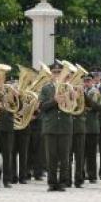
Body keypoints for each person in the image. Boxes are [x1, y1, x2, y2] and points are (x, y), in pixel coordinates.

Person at [38, 61, 73, 192]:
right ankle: (52, 183)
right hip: (50, 126)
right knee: (51, 157)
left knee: (64, 157)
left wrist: (74, 97)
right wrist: (54, 101)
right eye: (55, 72)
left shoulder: (69, 87)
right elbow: (41, 106)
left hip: (65, 126)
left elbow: (74, 107)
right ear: (50, 74)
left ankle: (63, 182)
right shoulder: (46, 88)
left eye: (59, 72)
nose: (57, 74)